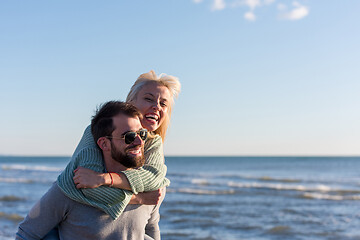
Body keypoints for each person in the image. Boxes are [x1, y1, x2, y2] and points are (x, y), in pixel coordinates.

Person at [16, 101, 166, 240]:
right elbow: (26, 234)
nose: (140, 142)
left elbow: (151, 229)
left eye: (142, 134)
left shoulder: (149, 191)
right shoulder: (72, 187)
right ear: (104, 144)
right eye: (129, 137)